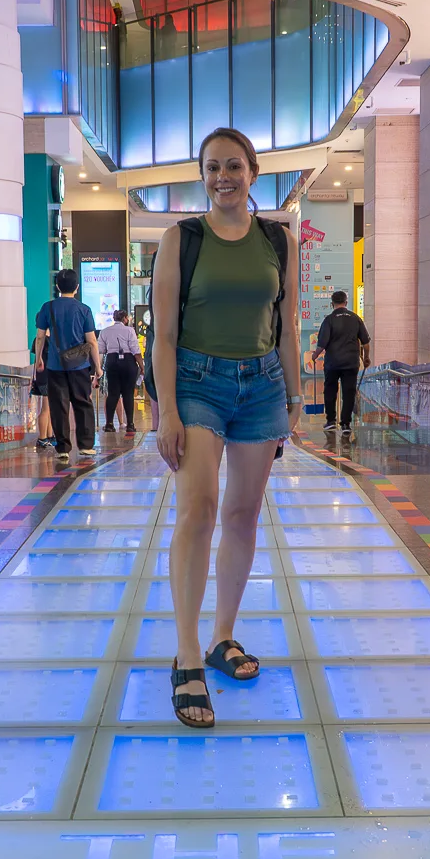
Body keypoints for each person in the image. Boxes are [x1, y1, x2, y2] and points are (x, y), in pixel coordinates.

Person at [153, 127, 302, 728]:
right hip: (196, 382)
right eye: (212, 168)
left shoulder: (278, 239)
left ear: (253, 172)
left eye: (233, 166)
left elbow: (288, 323)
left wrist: (296, 396)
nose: (223, 177)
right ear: (203, 175)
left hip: (263, 385)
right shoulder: (180, 239)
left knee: (243, 514)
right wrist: (166, 410)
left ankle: (221, 638)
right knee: (200, 506)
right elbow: (162, 334)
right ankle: (187, 654)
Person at [34, 268, 102, 462]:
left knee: (58, 406)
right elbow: (92, 341)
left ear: (57, 287)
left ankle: (63, 448)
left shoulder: (47, 308)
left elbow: (40, 336)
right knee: (83, 403)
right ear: (77, 287)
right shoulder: (84, 309)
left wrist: (39, 359)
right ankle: (86, 445)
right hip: (79, 365)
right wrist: (97, 367)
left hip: (55, 366)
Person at [310, 290, 370, 437]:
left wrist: (315, 355)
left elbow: (322, 343)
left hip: (332, 363)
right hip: (351, 363)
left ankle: (331, 421)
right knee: (348, 392)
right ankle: (345, 424)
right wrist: (366, 358)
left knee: (330, 391)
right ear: (346, 302)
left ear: (332, 303)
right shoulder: (355, 318)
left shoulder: (329, 320)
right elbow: (366, 342)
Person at [99, 309, 142, 433]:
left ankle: (109, 424)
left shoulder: (104, 331)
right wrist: (142, 366)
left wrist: (99, 370)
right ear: (125, 319)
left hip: (111, 362)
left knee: (113, 394)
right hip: (128, 362)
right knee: (128, 394)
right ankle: (130, 424)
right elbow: (135, 350)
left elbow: (101, 351)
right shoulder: (129, 330)